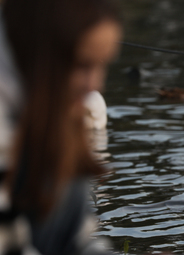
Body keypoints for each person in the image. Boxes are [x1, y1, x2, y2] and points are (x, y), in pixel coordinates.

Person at [0, 0, 122, 254]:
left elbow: (77, 238)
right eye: (82, 65)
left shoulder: (59, 116)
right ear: (41, 53)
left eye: (103, 66)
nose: (96, 85)